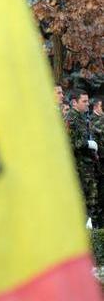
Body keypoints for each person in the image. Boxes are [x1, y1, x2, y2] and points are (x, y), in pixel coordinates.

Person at [65, 89, 100, 227]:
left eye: (87, 101)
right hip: (78, 167)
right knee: (81, 200)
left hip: (87, 166)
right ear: (74, 102)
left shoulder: (82, 117)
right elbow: (71, 142)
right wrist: (88, 144)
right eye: (84, 101)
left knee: (92, 199)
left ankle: (90, 227)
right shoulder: (71, 118)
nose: (87, 104)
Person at [90, 97, 104, 227]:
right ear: (95, 107)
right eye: (101, 106)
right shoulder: (94, 121)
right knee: (98, 199)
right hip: (98, 166)